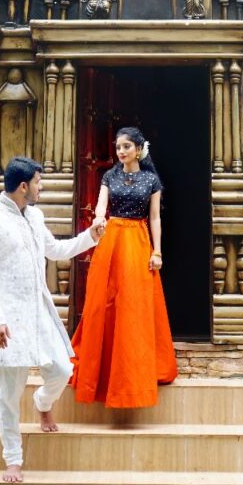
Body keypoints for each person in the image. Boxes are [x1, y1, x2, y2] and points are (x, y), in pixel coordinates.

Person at [0, 156, 105, 483]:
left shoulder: (34, 215)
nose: (41, 187)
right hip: (9, 319)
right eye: (38, 183)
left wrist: (90, 236)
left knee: (63, 369)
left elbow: (56, 251)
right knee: (9, 393)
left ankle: (43, 402)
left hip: (39, 312)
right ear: (23, 186)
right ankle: (13, 460)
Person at [71, 127, 178, 408]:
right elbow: (100, 207)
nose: (120, 151)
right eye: (118, 147)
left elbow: (155, 218)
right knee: (104, 302)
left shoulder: (151, 180)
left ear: (139, 149)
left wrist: (157, 251)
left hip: (138, 241)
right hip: (113, 240)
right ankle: (103, 370)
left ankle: (134, 373)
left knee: (134, 305)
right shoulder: (109, 176)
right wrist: (97, 220)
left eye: (126, 146)